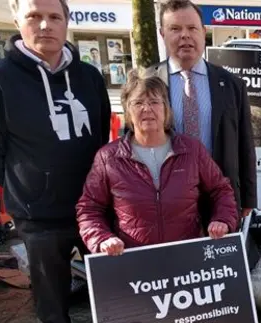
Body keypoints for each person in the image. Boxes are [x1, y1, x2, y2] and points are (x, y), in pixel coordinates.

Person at [0, 0, 111, 323]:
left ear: (67, 21)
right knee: (52, 303)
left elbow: (102, 142)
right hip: (38, 216)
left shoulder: (89, 77)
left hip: (95, 210)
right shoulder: (2, 79)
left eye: (54, 16)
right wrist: (12, 210)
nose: (45, 25)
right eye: (33, 16)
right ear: (17, 19)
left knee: (115, 290)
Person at [76, 71, 239, 255]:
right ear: (127, 111)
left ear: (166, 109)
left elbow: (221, 190)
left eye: (154, 102)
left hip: (188, 260)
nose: (147, 109)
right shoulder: (108, 157)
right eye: (138, 103)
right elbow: (89, 209)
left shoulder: (192, 150)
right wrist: (103, 239)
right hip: (134, 263)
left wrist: (223, 219)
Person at [154, 0, 257, 219]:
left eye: (192, 28)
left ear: (204, 32)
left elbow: (245, 145)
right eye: (175, 29)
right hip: (165, 202)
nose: (185, 36)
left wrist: (249, 199)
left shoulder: (232, 85)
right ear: (163, 35)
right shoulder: (147, 83)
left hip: (220, 199)